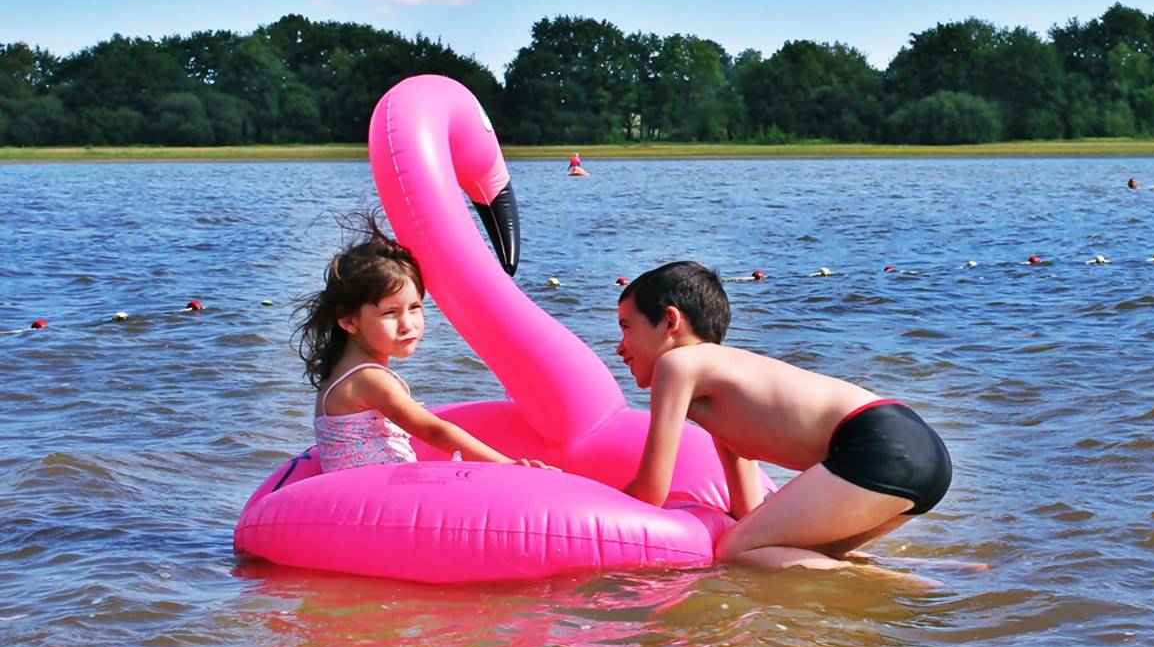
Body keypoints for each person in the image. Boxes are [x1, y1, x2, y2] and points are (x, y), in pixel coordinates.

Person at [615, 261, 951, 572]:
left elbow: (651, 491)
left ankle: (912, 585)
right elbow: (748, 512)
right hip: (918, 449)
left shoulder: (677, 365)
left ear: (670, 321)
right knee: (797, 549)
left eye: (626, 327)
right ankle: (946, 572)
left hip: (878, 443)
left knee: (735, 551)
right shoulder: (728, 395)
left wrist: (582, 486)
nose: (619, 347)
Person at [294, 217, 548, 472]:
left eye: (414, 308)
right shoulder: (370, 379)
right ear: (349, 321)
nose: (407, 324)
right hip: (376, 499)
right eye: (390, 313)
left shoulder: (341, 369)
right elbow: (434, 432)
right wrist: (507, 465)